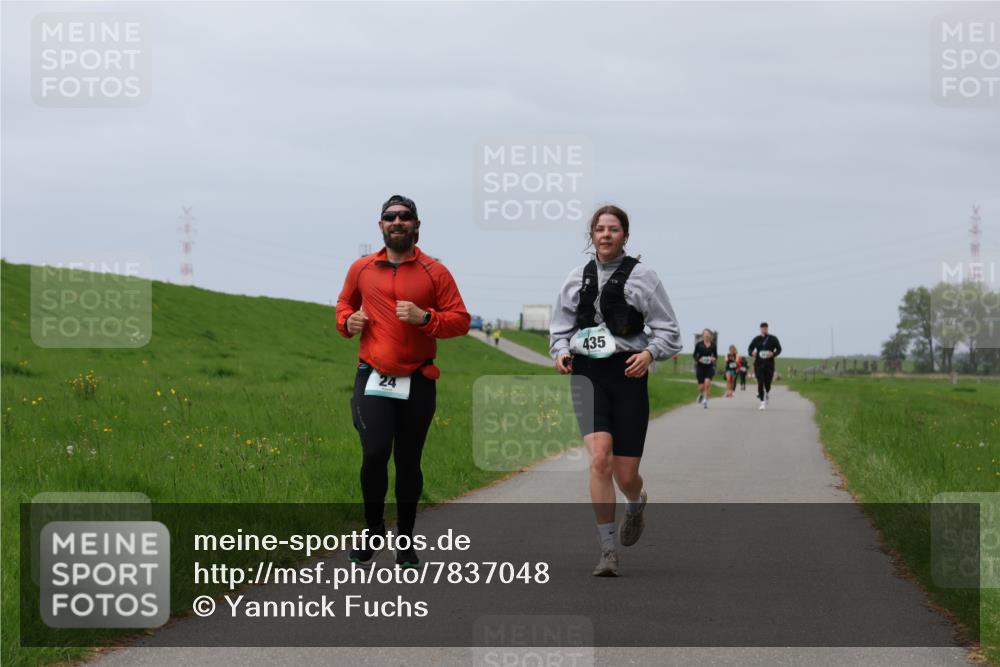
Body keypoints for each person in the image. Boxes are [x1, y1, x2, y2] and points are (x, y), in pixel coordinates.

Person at [336, 194, 470, 567]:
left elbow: (460, 320)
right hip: (373, 375)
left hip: (418, 378)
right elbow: (344, 305)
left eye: (405, 216)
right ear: (381, 225)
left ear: (416, 225)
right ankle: (374, 528)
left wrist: (426, 318)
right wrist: (347, 321)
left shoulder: (435, 272)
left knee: (408, 462)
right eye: (390, 216)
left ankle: (406, 540)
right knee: (375, 452)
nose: (397, 221)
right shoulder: (361, 268)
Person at [550, 204, 682, 577]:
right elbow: (559, 328)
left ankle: (636, 502)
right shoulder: (575, 278)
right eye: (599, 229)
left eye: (613, 229)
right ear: (591, 236)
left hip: (627, 374)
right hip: (588, 374)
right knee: (599, 459)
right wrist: (561, 352)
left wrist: (649, 354)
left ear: (625, 235)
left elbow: (669, 330)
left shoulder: (644, 278)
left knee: (625, 476)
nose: (606, 234)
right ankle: (607, 551)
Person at [748, 321, 782, 410]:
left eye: (766, 328)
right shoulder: (756, 339)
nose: (764, 330)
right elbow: (750, 349)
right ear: (760, 329)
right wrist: (752, 353)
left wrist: (773, 354)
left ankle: (766, 392)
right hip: (759, 364)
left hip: (769, 364)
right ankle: (762, 402)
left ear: (768, 328)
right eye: (763, 328)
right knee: (760, 381)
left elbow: (779, 349)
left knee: (768, 383)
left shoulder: (773, 338)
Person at [693, 329, 717, 408]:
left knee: (707, 382)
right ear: (703, 335)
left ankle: (705, 400)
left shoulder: (713, 345)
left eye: (708, 334)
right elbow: (694, 355)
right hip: (700, 366)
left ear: (710, 335)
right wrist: (698, 359)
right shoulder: (699, 344)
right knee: (701, 387)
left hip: (709, 366)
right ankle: (701, 394)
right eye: (705, 334)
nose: (706, 335)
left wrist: (713, 359)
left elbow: (715, 356)